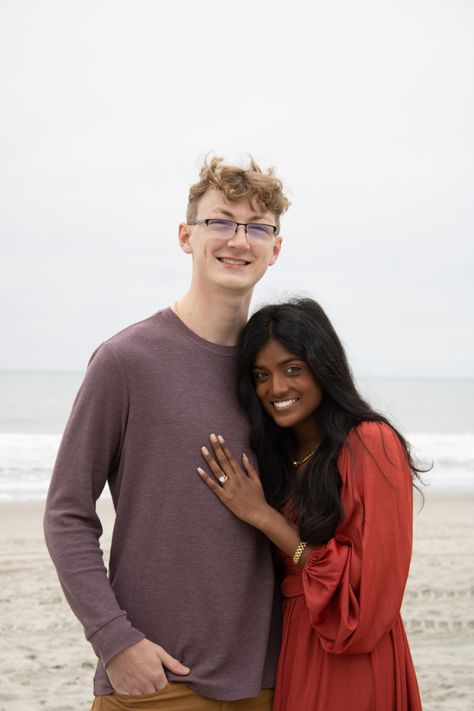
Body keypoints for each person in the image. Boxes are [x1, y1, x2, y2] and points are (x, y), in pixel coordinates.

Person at [44, 156, 290, 710]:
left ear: (276, 249)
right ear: (187, 236)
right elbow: (66, 512)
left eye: (258, 228)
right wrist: (114, 640)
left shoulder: (280, 374)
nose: (238, 240)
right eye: (221, 221)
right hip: (156, 678)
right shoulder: (125, 361)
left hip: (271, 679)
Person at [198, 298, 423, 711]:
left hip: (353, 651)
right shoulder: (283, 452)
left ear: (324, 368)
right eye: (261, 375)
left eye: (292, 370)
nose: (276, 388)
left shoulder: (371, 444)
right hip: (295, 642)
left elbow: (368, 593)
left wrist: (264, 516)